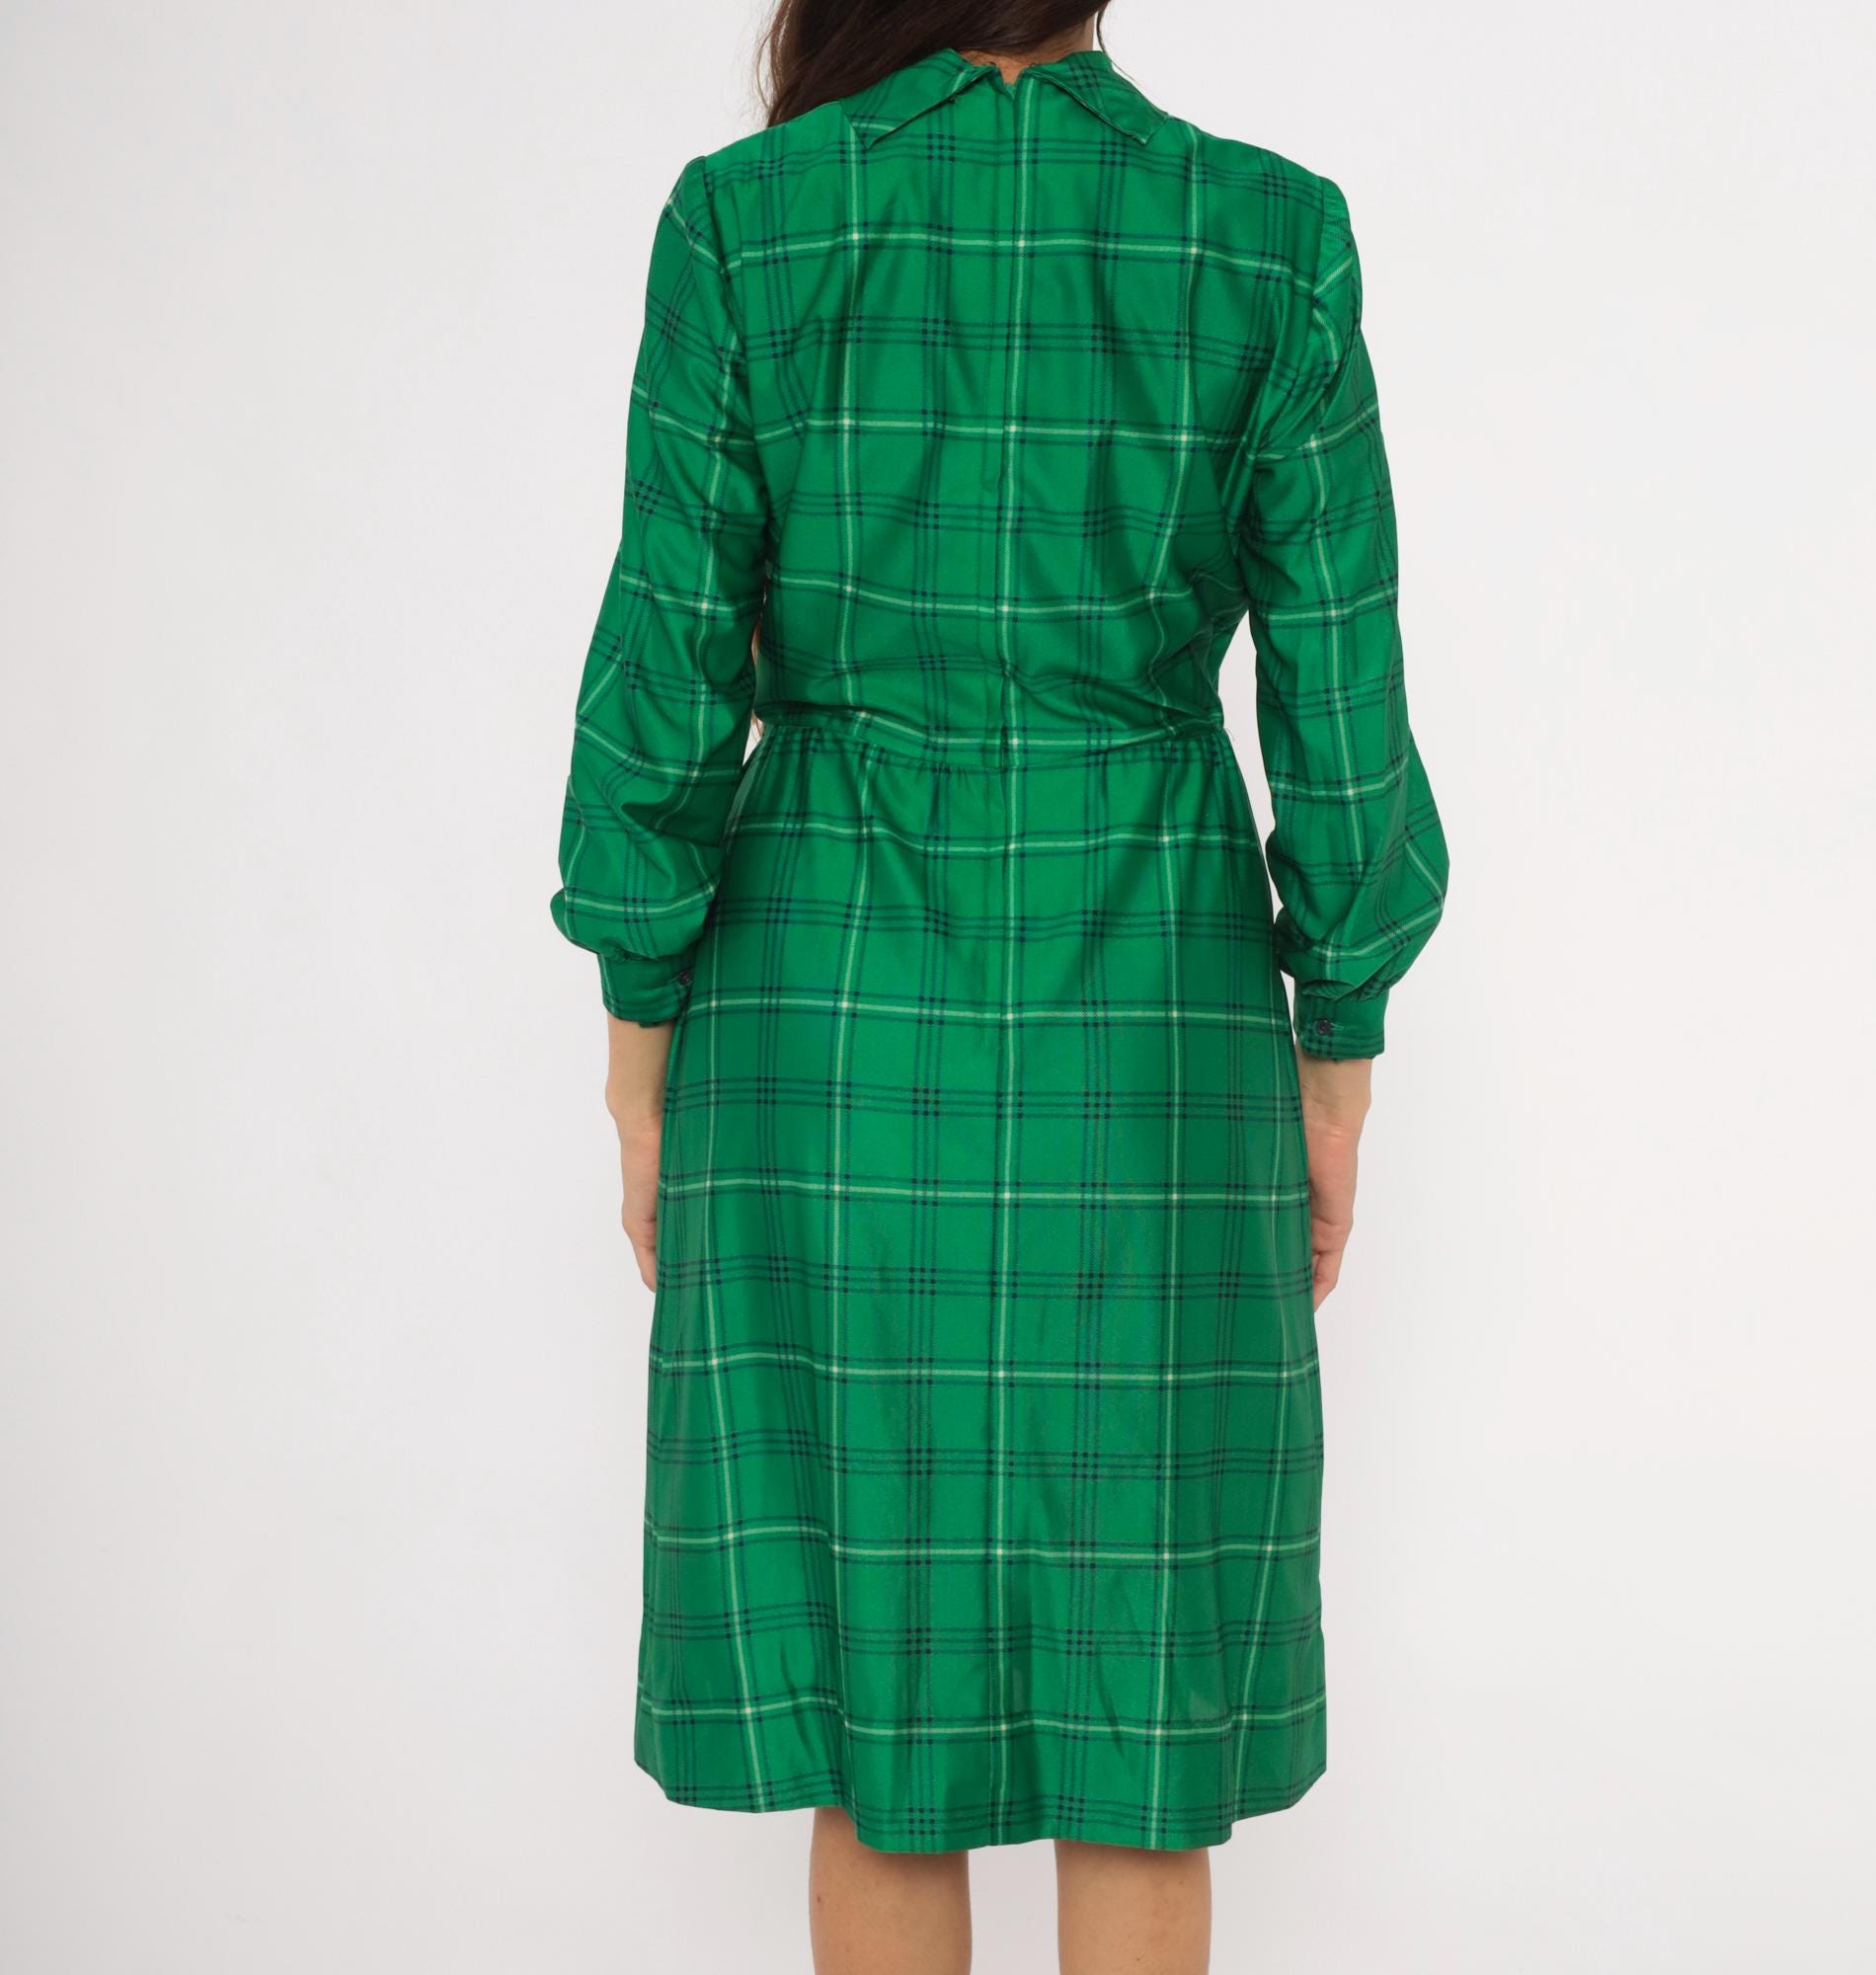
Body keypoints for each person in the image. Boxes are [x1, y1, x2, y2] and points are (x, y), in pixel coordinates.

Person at [549, 4, 1448, 1968]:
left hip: (822, 1011)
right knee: (1140, 1719)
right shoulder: (1262, 232)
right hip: (1157, 1023)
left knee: (884, 1710)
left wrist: (637, 1043)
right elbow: (1344, 710)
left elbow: (666, 673)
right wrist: (1339, 1048)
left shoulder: (749, 221)